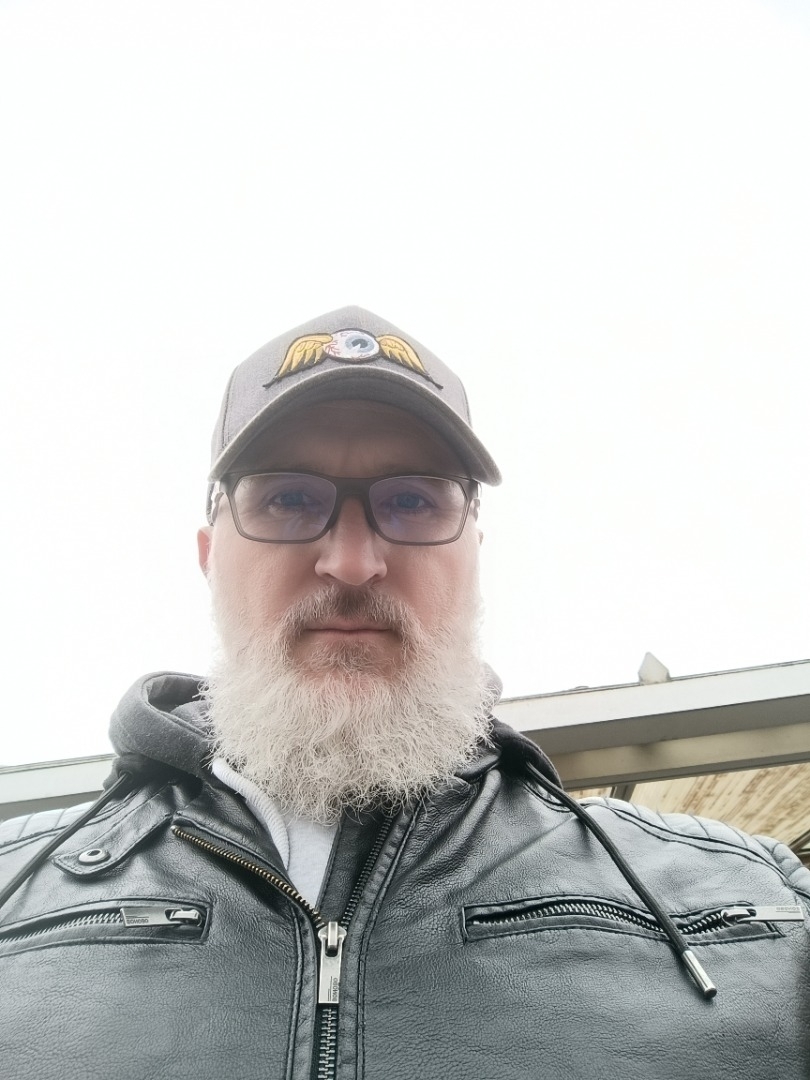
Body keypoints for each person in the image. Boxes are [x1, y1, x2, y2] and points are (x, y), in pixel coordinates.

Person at [0, 306, 807, 1080]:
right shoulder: (15, 894)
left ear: (474, 553)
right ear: (211, 556)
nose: (353, 563)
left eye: (413, 501)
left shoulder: (757, 908)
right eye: (288, 499)